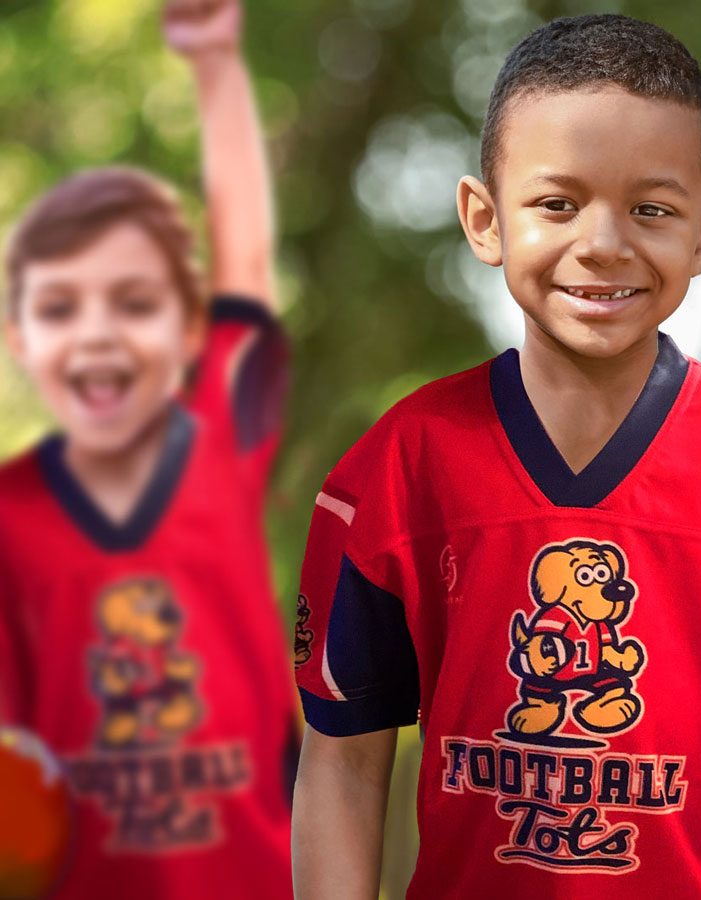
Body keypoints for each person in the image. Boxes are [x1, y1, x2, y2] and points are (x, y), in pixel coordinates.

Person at [291, 13, 701, 900]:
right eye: (557, 203)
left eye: (651, 208)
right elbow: (342, 769)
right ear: (484, 219)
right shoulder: (400, 467)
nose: (604, 242)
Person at [0, 0, 296, 897]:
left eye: (133, 303)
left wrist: (214, 66)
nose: (96, 336)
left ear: (188, 331)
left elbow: (246, 259)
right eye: (59, 308)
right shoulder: (9, 514)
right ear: (17, 338)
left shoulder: (224, 441)